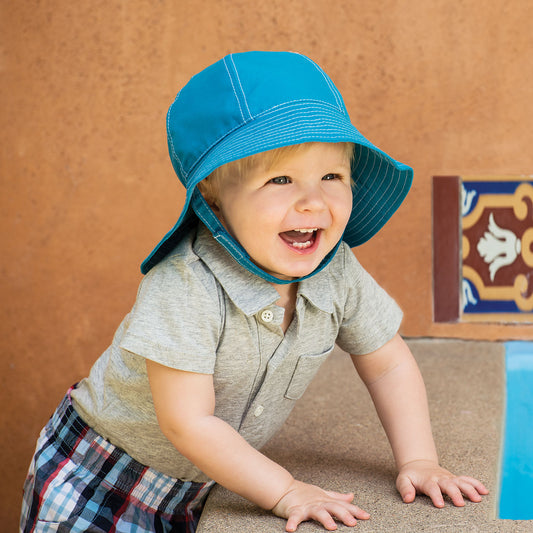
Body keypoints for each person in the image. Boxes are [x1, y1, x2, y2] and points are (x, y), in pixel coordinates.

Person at [20, 51, 488, 533]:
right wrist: (284, 490)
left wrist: (420, 460)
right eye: (280, 179)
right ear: (212, 194)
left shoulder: (337, 271)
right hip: (100, 475)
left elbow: (388, 363)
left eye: (332, 176)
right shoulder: (186, 284)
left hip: (207, 482)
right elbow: (188, 423)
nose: (313, 202)